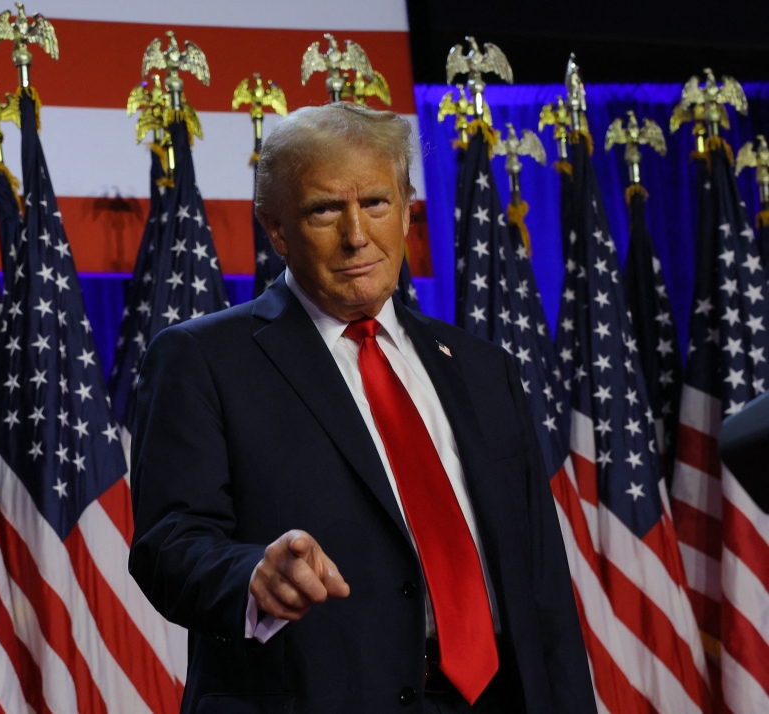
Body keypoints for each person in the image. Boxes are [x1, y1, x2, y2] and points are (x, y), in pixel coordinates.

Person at [129, 103, 596, 714]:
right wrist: (251, 576)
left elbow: (541, 585)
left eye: (375, 203)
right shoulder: (202, 359)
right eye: (325, 210)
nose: (356, 235)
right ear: (276, 228)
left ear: (406, 211)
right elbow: (168, 544)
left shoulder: (482, 368)